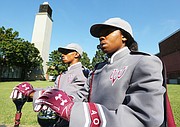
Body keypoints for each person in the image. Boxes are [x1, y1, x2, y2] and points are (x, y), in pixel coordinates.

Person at [19, 18, 166, 127]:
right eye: (100, 35)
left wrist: (79, 113)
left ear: (124, 36)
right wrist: (38, 94)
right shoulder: (98, 69)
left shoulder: (144, 61)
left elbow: (145, 116)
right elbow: (79, 97)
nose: (102, 37)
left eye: (107, 32)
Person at [10, 43, 89, 127]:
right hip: (58, 119)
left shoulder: (82, 73)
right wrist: (31, 90)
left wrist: (34, 94)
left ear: (76, 54)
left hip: (72, 120)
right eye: (62, 52)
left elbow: (69, 97)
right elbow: (54, 90)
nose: (62, 55)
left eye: (66, 52)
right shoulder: (62, 75)